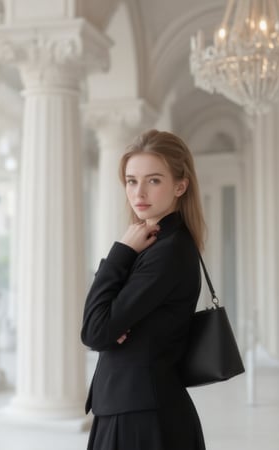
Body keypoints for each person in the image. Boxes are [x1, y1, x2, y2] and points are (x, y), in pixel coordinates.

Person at [81, 129, 207, 450]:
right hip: (132, 406)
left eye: (153, 180)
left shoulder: (167, 251)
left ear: (180, 185)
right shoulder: (154, 244)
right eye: (131, 180)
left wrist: (120, 250)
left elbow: (95, 330)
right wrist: (113, 324)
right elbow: (102, 325)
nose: (139, 192)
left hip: (141, 417)